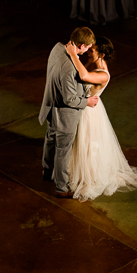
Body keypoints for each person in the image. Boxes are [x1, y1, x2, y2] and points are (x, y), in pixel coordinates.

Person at [64, 38, 137, 201]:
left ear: (101, 54)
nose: (88, 52)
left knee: (87, 143)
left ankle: (89, 175)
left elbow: (83, 75)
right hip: (83, 105)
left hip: (88, 112)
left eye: (92, 50)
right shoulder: (93, 64)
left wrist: (73, 55)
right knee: (77, 142)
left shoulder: (102, 74)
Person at [39, 27, 99, 198]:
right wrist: (87, 102)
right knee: (63, 149)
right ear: (80, 45)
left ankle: (47, 171)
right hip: (65, 115)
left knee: (51, 139)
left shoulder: (57, 48)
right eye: (87, 47)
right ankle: (62, 188)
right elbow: (70, 99)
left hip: (50, 106)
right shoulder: (70, 68)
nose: (88, 51)